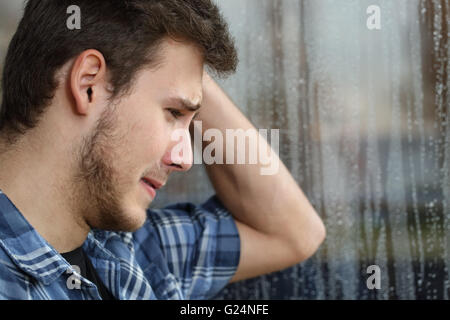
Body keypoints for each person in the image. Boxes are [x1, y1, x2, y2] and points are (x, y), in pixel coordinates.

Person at [0, 0, 326, 300]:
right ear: (88, 84)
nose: (185, 159)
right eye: (173, 114)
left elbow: (295, 233)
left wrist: (184, 69)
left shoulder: (134, 253)